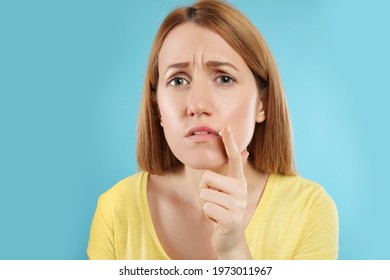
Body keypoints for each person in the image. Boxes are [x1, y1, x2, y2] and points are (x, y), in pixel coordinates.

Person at [87, 0, 338, 260]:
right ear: (157, 108)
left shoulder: (309, 210)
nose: (197, 105)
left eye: (224, 78)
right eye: (178, 80)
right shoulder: (115, 210)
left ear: (262, 105)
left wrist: (234, 251)